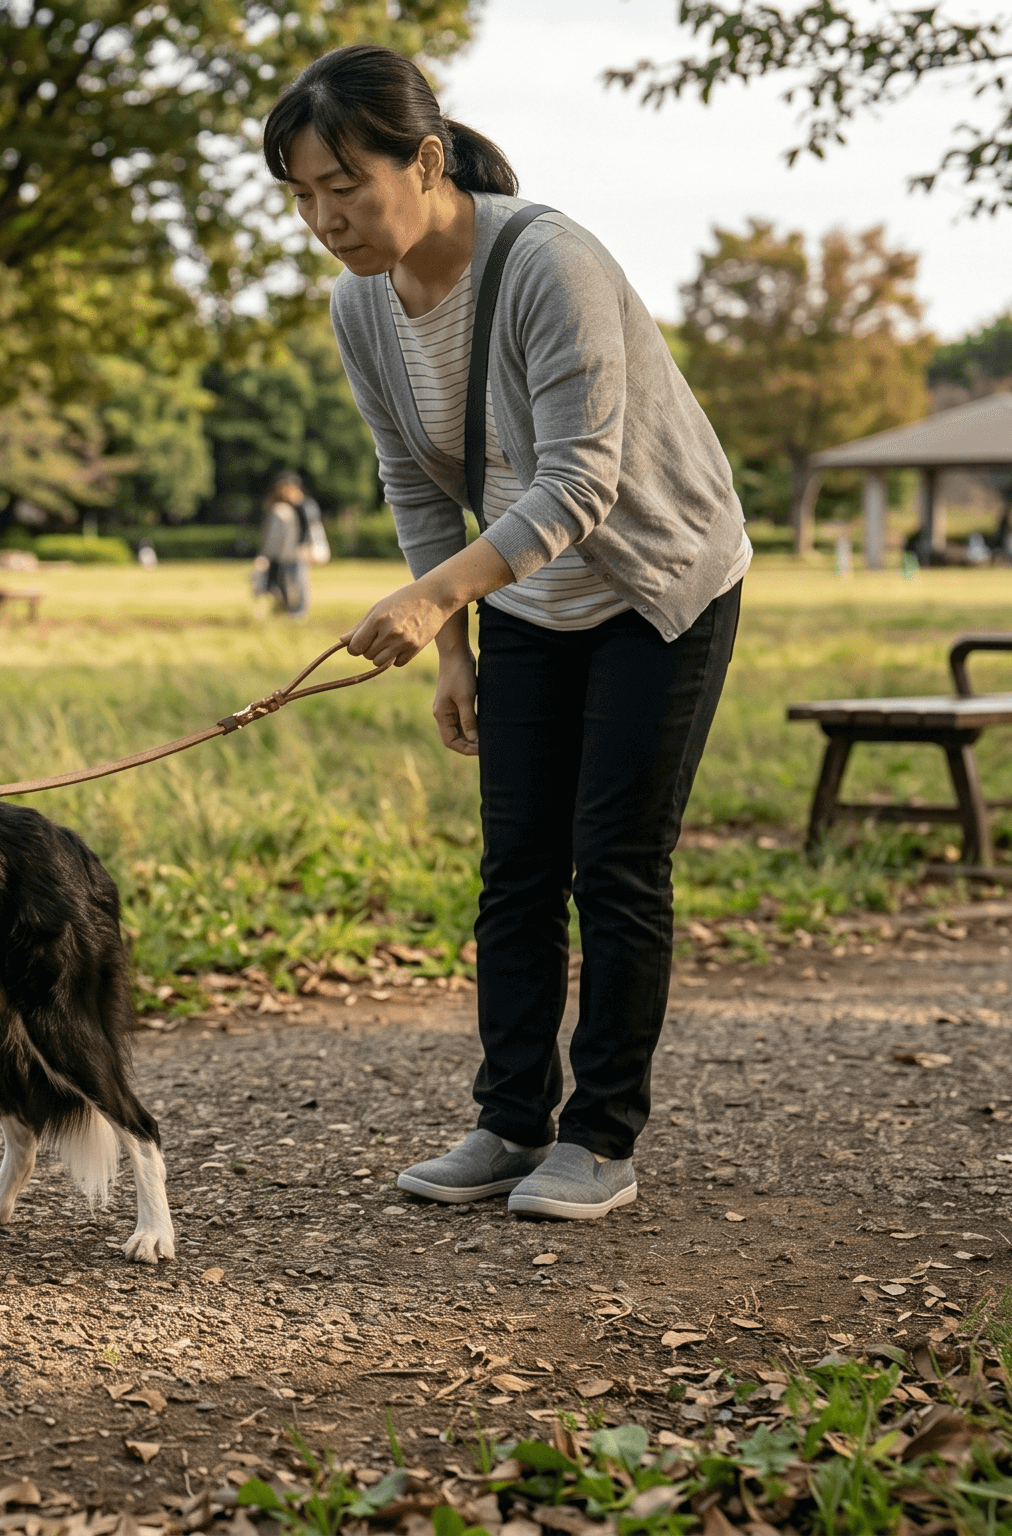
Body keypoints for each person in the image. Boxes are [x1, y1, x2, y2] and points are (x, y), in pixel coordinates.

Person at [267, 43, 750, 1220]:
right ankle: (506, 1122)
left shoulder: (549, 264)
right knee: (515, 869)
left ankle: (599, 1140)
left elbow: (581, 481)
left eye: (345, 186)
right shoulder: (359, 306)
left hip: (656, 581)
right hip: (526, 593)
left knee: (613, 865)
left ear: (424, 161)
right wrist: (451, 649)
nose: (326, 219)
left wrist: (437, 596)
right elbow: (416, 482)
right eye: (301, 196)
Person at [252, 472, 324, 618]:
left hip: (298, 550)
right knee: (287, 580)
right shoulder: (285, 506)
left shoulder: (302, 506)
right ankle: (289, 608)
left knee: (299, 580)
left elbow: (309, 528)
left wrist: (305, 546)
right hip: (287, 551)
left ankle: (299, 610)